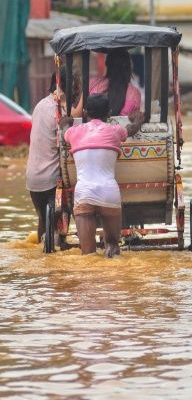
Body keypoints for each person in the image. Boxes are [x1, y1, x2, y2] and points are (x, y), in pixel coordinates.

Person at [60, 96, 144, 257]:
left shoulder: (74, 132)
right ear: (109, 113)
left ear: (85, 112)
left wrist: (64, 123)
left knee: (88, 255)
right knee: (113, 247)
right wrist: (137, 120)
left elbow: (64, 131)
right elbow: (131, 129)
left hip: (84, 194)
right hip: (109, 193)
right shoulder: (114, 130)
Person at [26, 70, 81, 245]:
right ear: (69, 87)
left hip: (33, 178)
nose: (78, 91)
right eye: (77, 87)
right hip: (51, 180)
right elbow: (74, 126)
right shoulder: (60, 111)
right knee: (59, 234)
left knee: (44, 223)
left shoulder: (40, 105)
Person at [89, 48, 142, 116]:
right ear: (128, 68)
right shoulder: (135, 93)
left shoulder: (94, 84)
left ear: (107, 65)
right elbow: (134, 120)